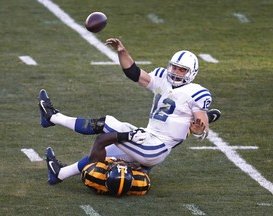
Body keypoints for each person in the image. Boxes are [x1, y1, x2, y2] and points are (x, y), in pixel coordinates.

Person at [38, 37, 221, 186]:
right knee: (107, 152)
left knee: (107, 123)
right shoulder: (161, 79)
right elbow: (134, 73)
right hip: (148, 137)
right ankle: (60, 174)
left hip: (154, 148)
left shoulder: (196, 92)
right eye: (174, 67)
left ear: (191, 72)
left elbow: (200, 120)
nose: (176, 72)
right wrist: (122, 52)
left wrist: (200, 127)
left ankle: (52, 116)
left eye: (182, 70)